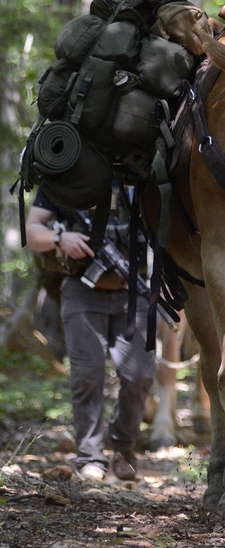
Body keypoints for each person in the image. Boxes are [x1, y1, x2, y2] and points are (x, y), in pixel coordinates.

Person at [25, 185, 156, 483]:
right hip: (81, 291)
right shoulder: (69, 175)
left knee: (141, 375)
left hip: (134, 293)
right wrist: (60, 238)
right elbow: (32, 231)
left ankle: (123, 448)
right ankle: (90, 458)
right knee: (87, 375)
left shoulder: (144, 168)